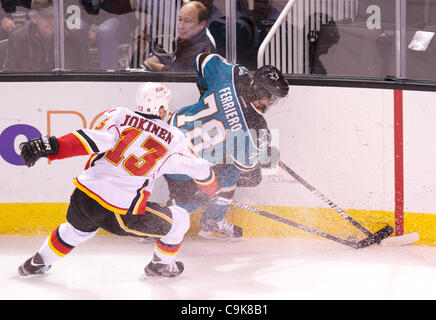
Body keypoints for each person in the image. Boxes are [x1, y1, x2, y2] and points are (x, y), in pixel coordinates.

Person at [17, 82, 218, 278]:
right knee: (179, 219)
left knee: (76, 231)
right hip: (121, 211)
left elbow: (93, 139)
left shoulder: (119, 114)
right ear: (162, 108)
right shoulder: (173, 138)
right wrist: (211, 189)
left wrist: (55, 145)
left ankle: (38, 262)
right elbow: (200, 169)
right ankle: (161, 265)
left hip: (84, 196)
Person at [165, 53, 289, 240]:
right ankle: (165, 220)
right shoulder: (255, 128)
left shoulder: (233, 76)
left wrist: (207, 93)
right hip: (183, 169)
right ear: (263, 96)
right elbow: (248, 168)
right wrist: (264, 153)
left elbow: (202, 59)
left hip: (166, 136)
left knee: (222, 170)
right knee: (220, 180)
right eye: (274, 99)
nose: (274, 103)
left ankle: (196, 217)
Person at [3, 0, 89, 71]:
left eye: (56, 15)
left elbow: (85, 72)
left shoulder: (78, 35)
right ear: (34, 18)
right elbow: (11, 74)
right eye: (46, 17)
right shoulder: (17, 37)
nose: (53, 21)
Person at [142, 1, 215, 72]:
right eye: (180, 19)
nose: (181, 26)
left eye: (187, 21)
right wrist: (165, 57)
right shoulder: (186, 43)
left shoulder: (204, 51)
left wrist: (158, 66)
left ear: (201, 24)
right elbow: (179, 66)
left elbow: (185, 77)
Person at [80, 0, 138, 70]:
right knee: (75, 27)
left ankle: (108, 74)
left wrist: (95, 27)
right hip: (86, 17)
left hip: (117, 16)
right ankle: (78, 74)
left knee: (105, 30)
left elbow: (114, 8)